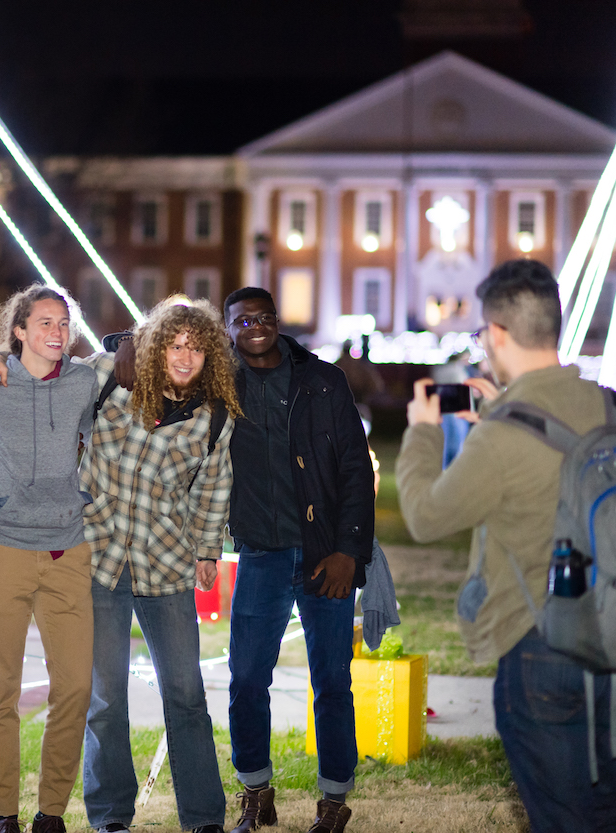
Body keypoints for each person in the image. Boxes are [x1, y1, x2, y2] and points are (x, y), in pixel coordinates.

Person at [396, 259, 616, 833]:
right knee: (602, 807)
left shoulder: (504, 433)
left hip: (539, 647)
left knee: (560, 817)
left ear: (498, 334)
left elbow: (426, 516)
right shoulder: (615, 408)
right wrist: (502, 412)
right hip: (614, 635)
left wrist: (424, 432)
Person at [79, 296, 239, 833]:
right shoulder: (110, 378)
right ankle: (109, 817)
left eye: (196, 347)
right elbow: (49, 379)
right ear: (155, 344)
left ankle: (203, 817)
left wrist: (208, 550)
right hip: (98, 559)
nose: (185, 356)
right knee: (105, 697)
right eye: (174, 344)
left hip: (165, 565)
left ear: (210, 356)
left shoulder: (213, 417)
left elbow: (215, 488)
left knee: (186, 693)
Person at [220, 287, 373, 833]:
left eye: (263, 317)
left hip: (324, 554)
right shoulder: (219, 384)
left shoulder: (322, 380)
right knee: (245, 680)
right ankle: (255, 792)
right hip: (260, 553)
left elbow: (355, 466)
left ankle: (334, 801)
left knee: (331, 682)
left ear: (277, 322)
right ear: (229, 328)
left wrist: (349, 552)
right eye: (242, 319)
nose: (254, 326)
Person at [0, 286, 99, 833]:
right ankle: (5, 814)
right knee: (3, 689)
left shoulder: (85, 381)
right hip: (3, 550)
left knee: (76, 686)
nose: (57, 333)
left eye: (64, 324)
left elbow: (131, 354)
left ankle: (51, 812)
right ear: (18, 331)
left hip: (69, 548)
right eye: (45, 322)